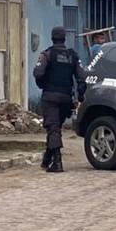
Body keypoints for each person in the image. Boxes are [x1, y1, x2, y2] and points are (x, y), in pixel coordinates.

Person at [33, 26, 87, 173]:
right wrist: (80, 96)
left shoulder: (47, 54)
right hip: (66, 98)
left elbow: (38, 73)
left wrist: (42, 84)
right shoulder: (73, 56)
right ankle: (47, 159)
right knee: (55, 128)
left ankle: (57, 162)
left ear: (52, 38)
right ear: (64, 38)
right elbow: (82, 78)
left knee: (53, 129)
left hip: (50, 97)